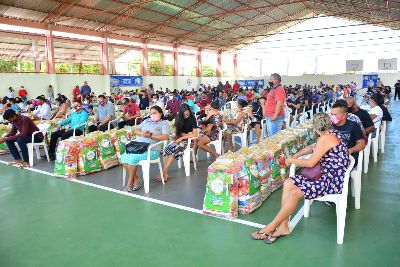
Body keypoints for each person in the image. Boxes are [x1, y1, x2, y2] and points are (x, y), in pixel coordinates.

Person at [251, 113, 350, 244]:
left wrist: (292, 160)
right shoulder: (331, 134)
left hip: (329, 181)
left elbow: (310, 163)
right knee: (288, 182)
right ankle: (283, 226)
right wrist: (295, 156)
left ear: (315, 128)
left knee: (294, 193)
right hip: (326, 175)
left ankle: (271, 225)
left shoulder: (325, 139)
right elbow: (311, 148)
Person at [121, 106, 169, 192]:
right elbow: (136, 129)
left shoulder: (164, 123)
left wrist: (151, 136)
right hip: (139, 146)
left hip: (152, 150)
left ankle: (129, 182)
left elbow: (165, 136)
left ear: (160, 113)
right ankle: (136, 179)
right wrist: (143, 134)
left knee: (132, 158)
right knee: (123, 157)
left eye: (154, 113)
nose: (152, 115)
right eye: (151, 114)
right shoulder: (147, 121)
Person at [161, 104, 199, 181]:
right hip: (179, 138)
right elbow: (175, 131)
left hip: (188, 140)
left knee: (173, 150)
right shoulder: (178, 118)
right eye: (185, 114)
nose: (186, 115)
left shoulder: (192, 118)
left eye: (187, 113)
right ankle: (165, 173)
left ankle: (163, 172)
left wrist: (183, 136)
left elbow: (195, 134)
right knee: (166, 149)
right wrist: (185, 134)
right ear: (181, 113)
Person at [330, 101, 365, 166]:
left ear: (344, 115)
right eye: (332, 114)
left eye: (335, 114)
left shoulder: (353, 126)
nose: (332, 117)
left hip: (348, 159)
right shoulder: (330, 126)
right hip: (332, 157)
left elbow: (362, 144)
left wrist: (349, 151)